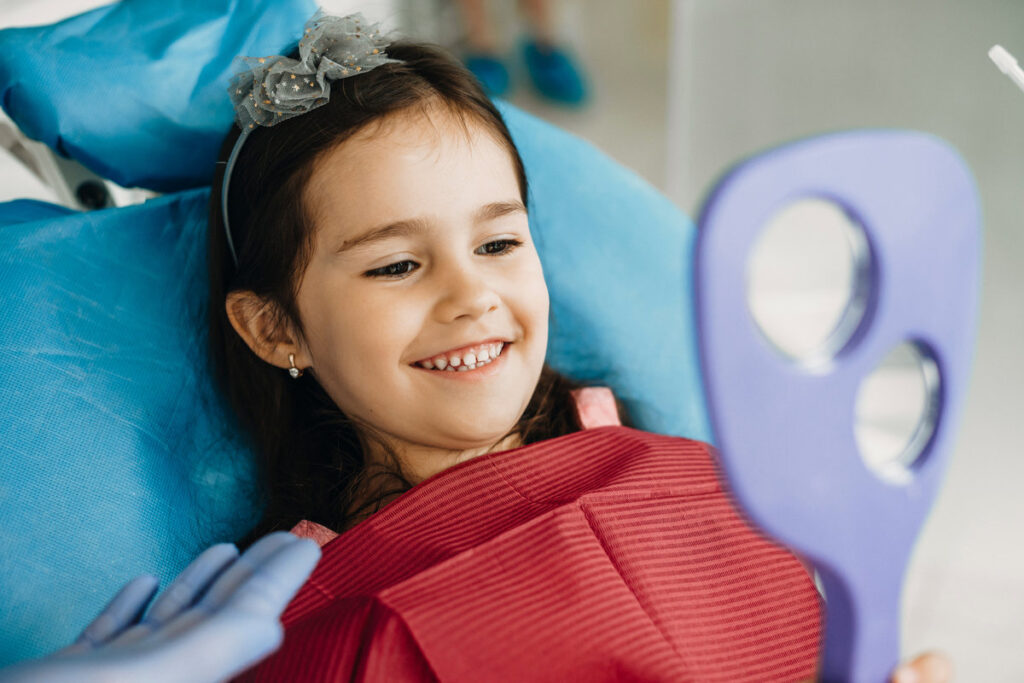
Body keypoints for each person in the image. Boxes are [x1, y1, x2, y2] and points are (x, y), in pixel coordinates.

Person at [0, 9, 952, 682]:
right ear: (276, 328)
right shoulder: (299, 608)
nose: (472, 295)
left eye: (499, 242)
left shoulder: (671, 455)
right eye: (395, 267)